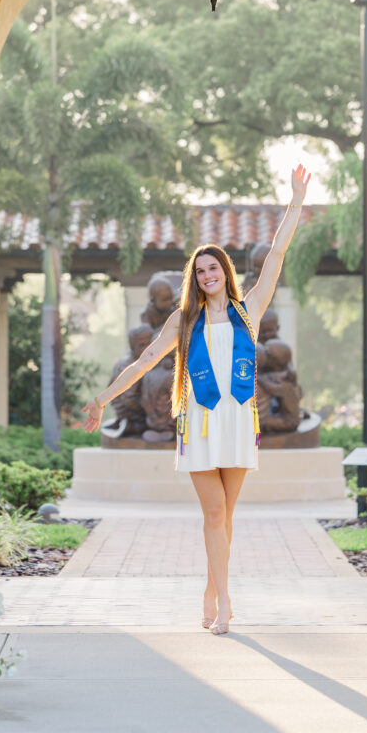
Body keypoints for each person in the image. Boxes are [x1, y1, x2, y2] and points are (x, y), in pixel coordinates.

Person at [82, 164, 311, 635]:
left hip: (239, 421)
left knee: (226, 515)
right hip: (202, 422)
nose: (207, 275)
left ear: (225, 272)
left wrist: (296, 200)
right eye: (200, 270)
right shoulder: (183, 322)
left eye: (214, 268)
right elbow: (145, 360)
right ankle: (225, 600)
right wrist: (104, 397)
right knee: (212, 512)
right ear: (195, 277)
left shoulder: (251, 309)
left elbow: (278, 254)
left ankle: (211, 587)